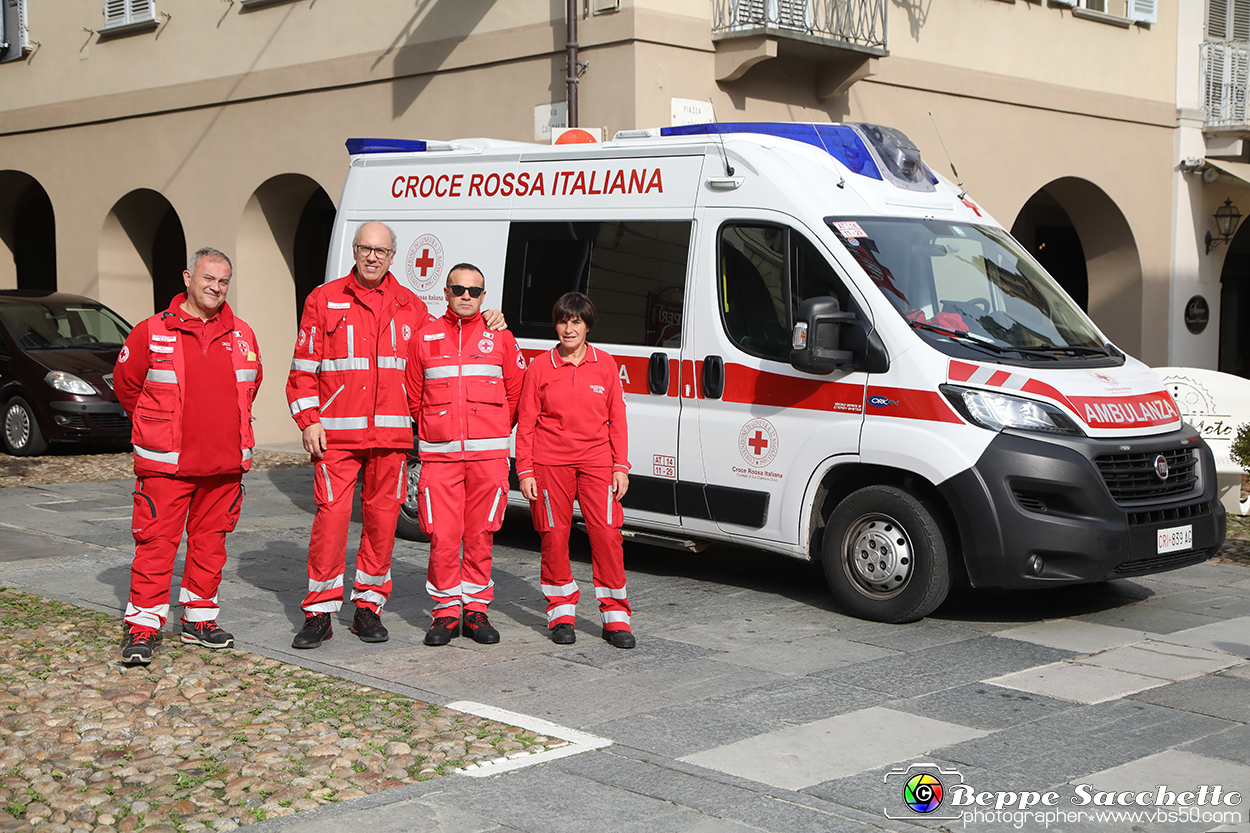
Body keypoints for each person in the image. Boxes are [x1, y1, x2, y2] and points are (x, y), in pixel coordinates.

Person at [287, 222, 506, 649]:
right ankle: (319, 612)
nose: (373, 257)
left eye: (381, 251)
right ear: (354, 251)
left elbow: (435, 363)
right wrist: (309, 419)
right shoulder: (324, 299)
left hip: (390, 437)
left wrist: (491, 317)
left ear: (392, 256)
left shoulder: (411, 307)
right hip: (337, 436)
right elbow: (301, 368)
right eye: (365, 248)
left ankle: (368, 608)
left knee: (382, 523)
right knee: (330, 523)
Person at [113, 247, 262, 665]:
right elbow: (127, 386)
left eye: (223, 281)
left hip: (224, 464)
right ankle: (143, 627)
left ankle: (199, 620)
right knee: (156, 545)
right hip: (167, 465)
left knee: (210, 546)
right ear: (187, 278)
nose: (215, 287)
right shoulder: (150, 331)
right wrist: (154, 425)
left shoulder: (243, 333)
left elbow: (251, 384)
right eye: (207, 278)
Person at [405, 263, 525, 646]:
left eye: (474, 290)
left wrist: (493, 429)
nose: (466, 296)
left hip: (488, 458)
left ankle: (475, 611)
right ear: (446, 292)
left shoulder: (501, 336)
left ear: (484, 296)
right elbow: (412, 396)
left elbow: (517, 393)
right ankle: (444, 614)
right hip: (439, 458)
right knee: (443, 535)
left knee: (480, 535)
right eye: (459, 289)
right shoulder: (425, 337)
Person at [516, 292, 634, 648]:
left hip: (598, 464)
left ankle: (616, 617)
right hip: (550, 464)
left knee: (608, 536)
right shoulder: (539, 367)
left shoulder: (606, 364)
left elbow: (618, 420)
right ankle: (561, 613)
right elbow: (526, 424)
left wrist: (621, 466)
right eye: (563, 321)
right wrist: (525, 471)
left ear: (587, 326)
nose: (568, 328)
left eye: (576, 322)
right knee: (553, 537)